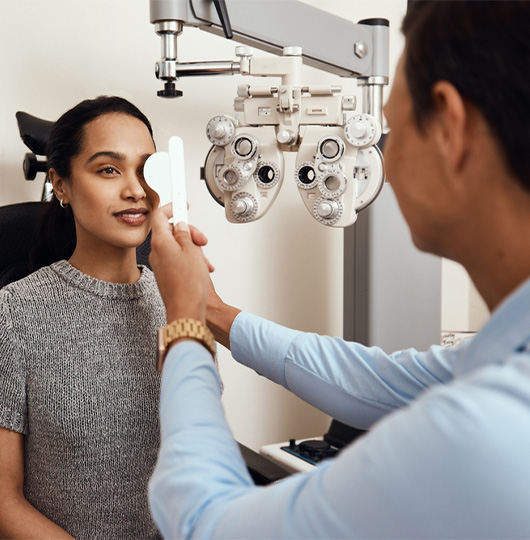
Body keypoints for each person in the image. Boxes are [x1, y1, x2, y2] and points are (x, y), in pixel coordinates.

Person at [147, 1, 530, 538]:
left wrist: (184, 324)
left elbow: (205, 523)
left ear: (451, 128)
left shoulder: (485, 434)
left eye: (389, 132)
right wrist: (209, 308)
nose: (383, 161)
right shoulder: (505, 362)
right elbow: (378, 383)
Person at [0, 96, 213, 539]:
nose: (136, 190)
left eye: (146, 169)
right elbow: (4, 499)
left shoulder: (180, 302)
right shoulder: (16, 313)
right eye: (108, 169)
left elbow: (201, 457)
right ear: (61, 185)